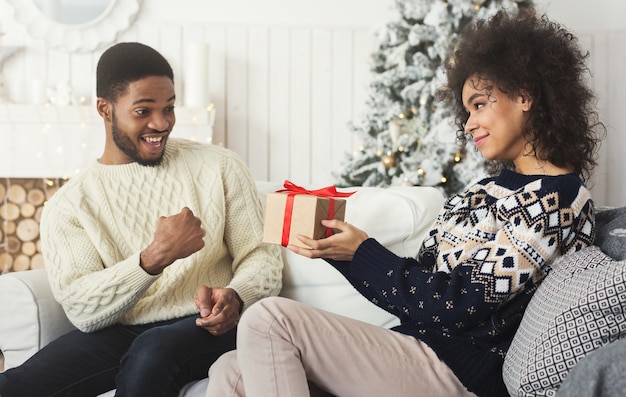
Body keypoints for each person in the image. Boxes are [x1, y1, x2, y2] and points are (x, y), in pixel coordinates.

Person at [205, 8, 604, 397]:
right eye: (466, 111)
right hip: (415, 351)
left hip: (459, 373)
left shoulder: (557, 199)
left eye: (480, 104)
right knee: (231, 370)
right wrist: (341, 253)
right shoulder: (481, 191)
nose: (469, 124)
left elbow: (456, 303)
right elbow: (420, 288)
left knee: (268, 318)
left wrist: (361, 253)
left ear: (525, 95)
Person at [0, 42, 283, 397]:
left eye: (169, 108)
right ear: (105, 109)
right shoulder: (71, 205)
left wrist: (237, 296)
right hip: (123, 330)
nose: (161, 123)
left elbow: (262, 256)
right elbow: (83, 310)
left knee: (151, 353)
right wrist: (153, 259)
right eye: (143, 110)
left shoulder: (220, 166)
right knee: (14, 386)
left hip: (208, 326)